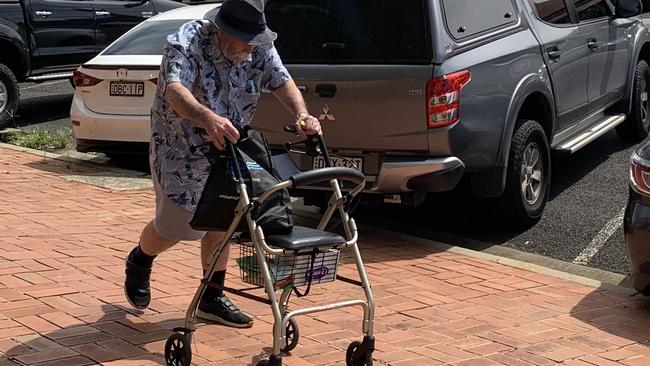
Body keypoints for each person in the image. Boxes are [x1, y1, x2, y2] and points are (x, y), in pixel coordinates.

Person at [123, 0, 321, 328]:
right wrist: (208, 118)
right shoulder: (186, 42)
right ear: (222, 32)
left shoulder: (257, 43)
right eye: (245, 40)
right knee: (180, 227)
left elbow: (281, 80)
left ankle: (212, 295)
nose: (251, 47)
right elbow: (174, 91)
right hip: (181, 144)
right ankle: (141, 258)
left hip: (228, 141)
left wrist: (301, 114)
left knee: (225, 215)